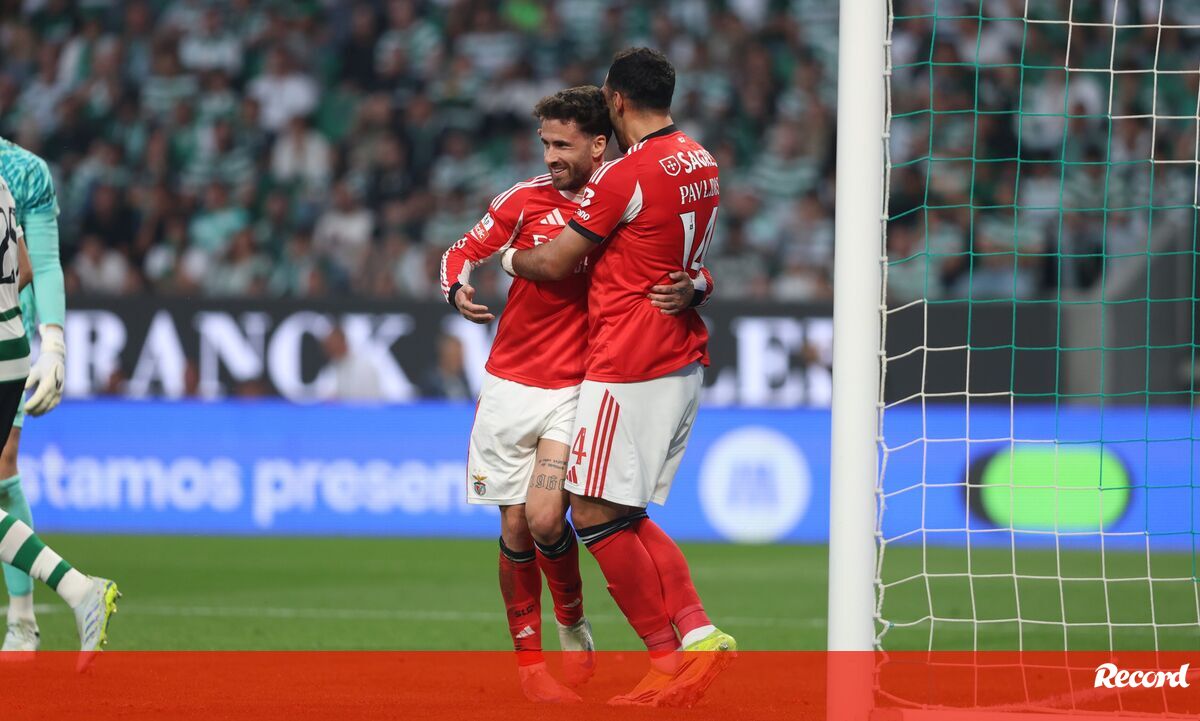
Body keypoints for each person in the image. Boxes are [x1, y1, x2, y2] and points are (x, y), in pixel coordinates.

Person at [439, 85, 710, 703]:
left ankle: (572, 620)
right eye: (546, 144)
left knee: (546, 516)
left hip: (577, 387)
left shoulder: (620, 194)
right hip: (509, 383)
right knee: (515, 529)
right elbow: (461, 250)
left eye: (563, 145)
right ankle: (532, 672)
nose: (551, 156)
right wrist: (456, 289)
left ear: (597, 143)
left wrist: (698, 282)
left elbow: (677, 252)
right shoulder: (523, 199)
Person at [499, 48, 732, 708]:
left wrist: (509, 257)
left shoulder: (624, 177)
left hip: (629, 362)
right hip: (680, 358)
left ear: (617, 100)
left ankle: (673, 652)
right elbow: (684, 254)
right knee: (624, 512)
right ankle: (695, 639)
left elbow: (554, 263)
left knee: (594, 513)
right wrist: (700, 285)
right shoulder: (701, 160)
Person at [0, 176, 119, 662]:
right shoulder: (3, 183)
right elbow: (26, 268)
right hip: (11, 349)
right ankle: (75, 592)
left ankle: (76, 590)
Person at [0, 135, 75, 652]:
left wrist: (53, 341)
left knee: (4, 463)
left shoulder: (25, 172)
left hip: (7, 330)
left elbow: (40, 265)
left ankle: (22, 619)